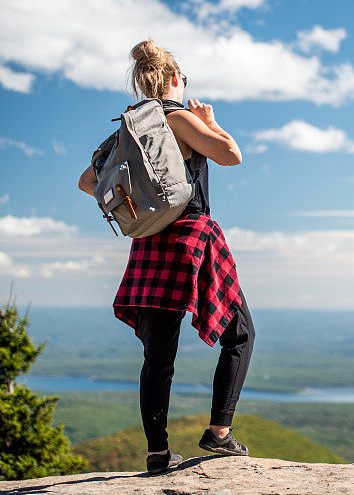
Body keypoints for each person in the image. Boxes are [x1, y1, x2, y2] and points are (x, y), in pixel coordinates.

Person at [77, 39, 256, 475]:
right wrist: (212, 123)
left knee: (158, 358)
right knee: (241, 334)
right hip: (192, 238)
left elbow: (87, 182)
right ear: (176, 79)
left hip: (150, 244)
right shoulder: (178, 118)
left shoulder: (127, 129)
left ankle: (157, 453)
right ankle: (218, 432)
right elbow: (231, 156)